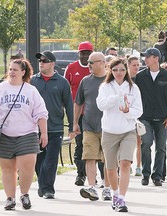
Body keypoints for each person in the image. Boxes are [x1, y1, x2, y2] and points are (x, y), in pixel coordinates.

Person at [0, 59, 48, 210]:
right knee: (7, 168)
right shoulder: (0, 89)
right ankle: (10, 198)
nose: (11, 72)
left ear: (23, 72)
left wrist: (44, 133)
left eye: (15, 69)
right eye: (10, 69)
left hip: (27, 133)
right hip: (4, 134)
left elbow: (41, 113)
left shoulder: (31, 90)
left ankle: (24, 194)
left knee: (26, 167)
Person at [96, 57, 143, 212]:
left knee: (125, 163)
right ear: (111, 70)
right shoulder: (105, 86)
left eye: (122, 69)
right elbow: (101, 105)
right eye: (115, 70)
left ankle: (122, 199)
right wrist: (115, 98)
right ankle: (115, 194)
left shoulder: (133, 88)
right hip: (109, 131)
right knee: (110, 168)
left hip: (128, 131)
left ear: (126, 70)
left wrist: (128, 111)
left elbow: (139, 110)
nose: (119, 73)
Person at [31, 51, 74, 199]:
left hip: (55, 127)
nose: (41, 63)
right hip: (34, 128)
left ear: (52, 63)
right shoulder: (32, 81)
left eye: (45, 60)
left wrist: (72, 124)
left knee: (51, 160)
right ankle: (43, 184)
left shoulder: (62, 82)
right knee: (38, 160)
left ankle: (48, 189)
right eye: (40, 61)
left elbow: (69, 104)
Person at [135, 48, 167, 186]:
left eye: (148, 57)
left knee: (161, 147)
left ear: (156, 58)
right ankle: (146, 174)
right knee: (146, 143)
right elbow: (136, 98)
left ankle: (157, 176)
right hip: (145, 117)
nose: (145, 59)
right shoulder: (140, 76)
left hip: (162, 118)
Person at [74, 52, 111, 201]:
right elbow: (78, 103)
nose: (87, 64)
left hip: (109, 127)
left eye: (91, 62)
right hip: (88, 125)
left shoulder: (111, 81)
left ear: (102, 63)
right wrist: (75, 122)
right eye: (88, 62)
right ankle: (92, 187)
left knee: (108, 159)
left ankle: (107, 188)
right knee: (89, 157)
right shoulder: (85, 81)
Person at [64, 41, 93, 186]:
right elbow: (65, 90)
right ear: (79, 53)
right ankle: (81, 174)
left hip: (94, 114)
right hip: (78, 114)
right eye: (83, 53)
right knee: (80, 144)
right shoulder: (71, 68)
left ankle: (100, 173)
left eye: (88, 53)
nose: (86, 56)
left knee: (97, 144)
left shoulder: (97, 68)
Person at [127, 56, 142, 176]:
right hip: (127, 113)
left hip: (139, 112)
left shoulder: (141, 78)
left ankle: (139, 165)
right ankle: (128, 163)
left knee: (139, 141)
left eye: (138, 65)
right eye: (134, 65)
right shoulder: (125, 80)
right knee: (128, 141)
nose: (136, 67)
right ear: (128, 65)